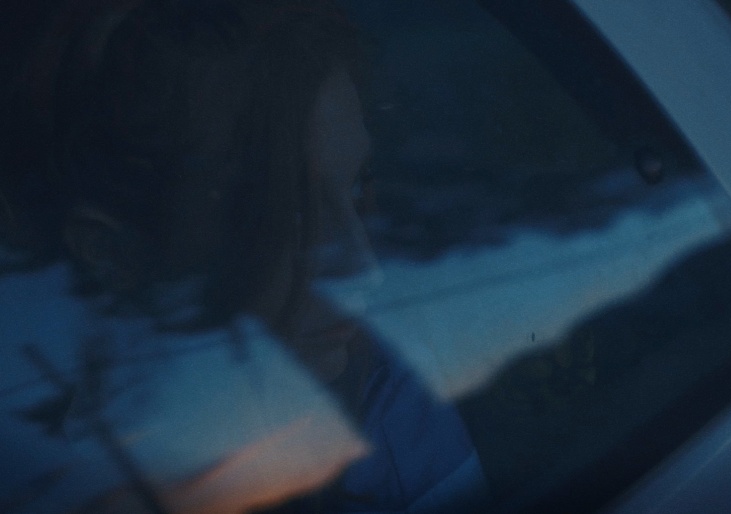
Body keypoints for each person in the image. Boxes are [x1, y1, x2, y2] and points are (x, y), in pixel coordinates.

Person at [0, 0, 490, 512]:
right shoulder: (35, 470)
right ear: (110, 253)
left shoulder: (387, 401)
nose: (365, 269)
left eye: (357, 187)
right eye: (288, 214)